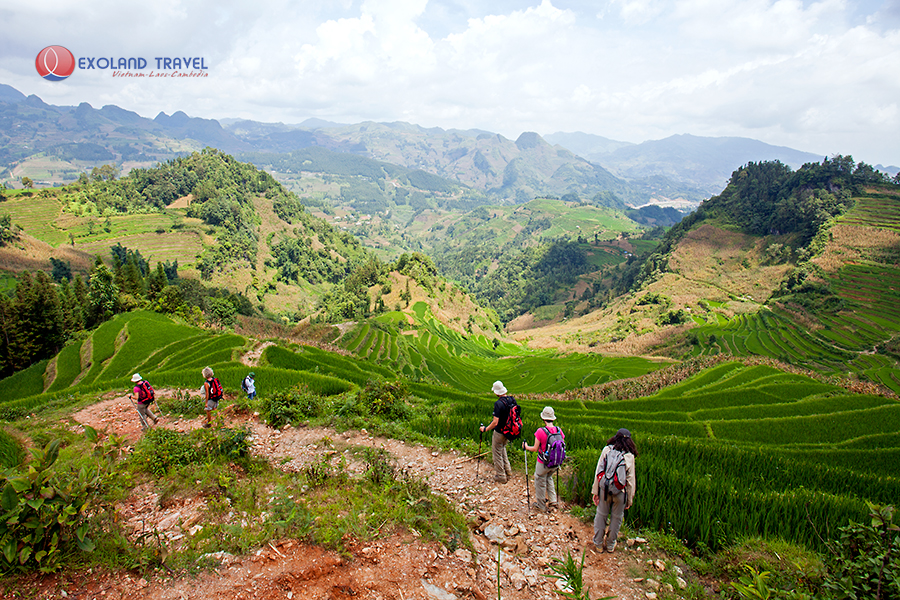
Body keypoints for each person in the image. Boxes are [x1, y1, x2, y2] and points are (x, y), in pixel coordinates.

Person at [592, 428, 638, 553]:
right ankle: (611, 544)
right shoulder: (629, 456)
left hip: (605, 490)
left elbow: (599, 472)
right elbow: (630, 481)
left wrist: (596, 491)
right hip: (620, 492)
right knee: (616, 518)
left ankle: (599, 544)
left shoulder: (607, 450)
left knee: (601, 515)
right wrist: (629, 500)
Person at [523, 406, 564, 512]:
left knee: (539, 480)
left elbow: (535, 448)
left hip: (543, 463)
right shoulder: (559, 430)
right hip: (555, 463)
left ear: (543, 418)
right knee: (549, 478)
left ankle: (541, 505)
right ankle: (553, 501)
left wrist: (526, 446)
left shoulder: (541, 431)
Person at [479, 381, 515, 484]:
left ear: (496, 392)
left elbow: (495, 422)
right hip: (509, 431)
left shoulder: (498, 404)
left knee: (497, 453)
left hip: (499, 432)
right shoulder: (512, 400)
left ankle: (501, 476)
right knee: (502, 449)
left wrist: (485, 429)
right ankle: (508, 472)